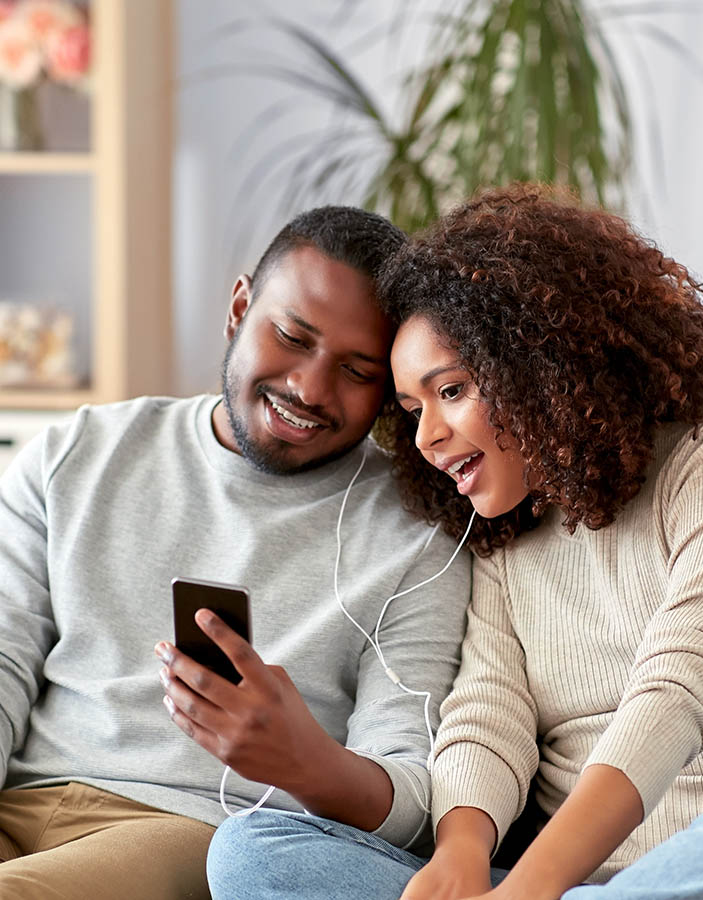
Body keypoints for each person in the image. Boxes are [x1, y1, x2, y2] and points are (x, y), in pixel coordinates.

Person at [206, 184, 703, 900]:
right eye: (411, 408)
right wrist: (461, 853)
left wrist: (527, 890)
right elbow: (486, 715)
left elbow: (675, 696)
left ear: (539, 364)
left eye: (451, 391)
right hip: (558, 888)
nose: (427, 436)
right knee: (252, 849)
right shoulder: (503, 533)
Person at [0, 206, 471, 900]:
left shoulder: (415, 534)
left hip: (191, 828)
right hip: (23, 799)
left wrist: (305, 761)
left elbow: (414, 801)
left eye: (356, 370)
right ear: (240, 308)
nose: (309, 389)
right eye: (292, 337)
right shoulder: (76, 453)